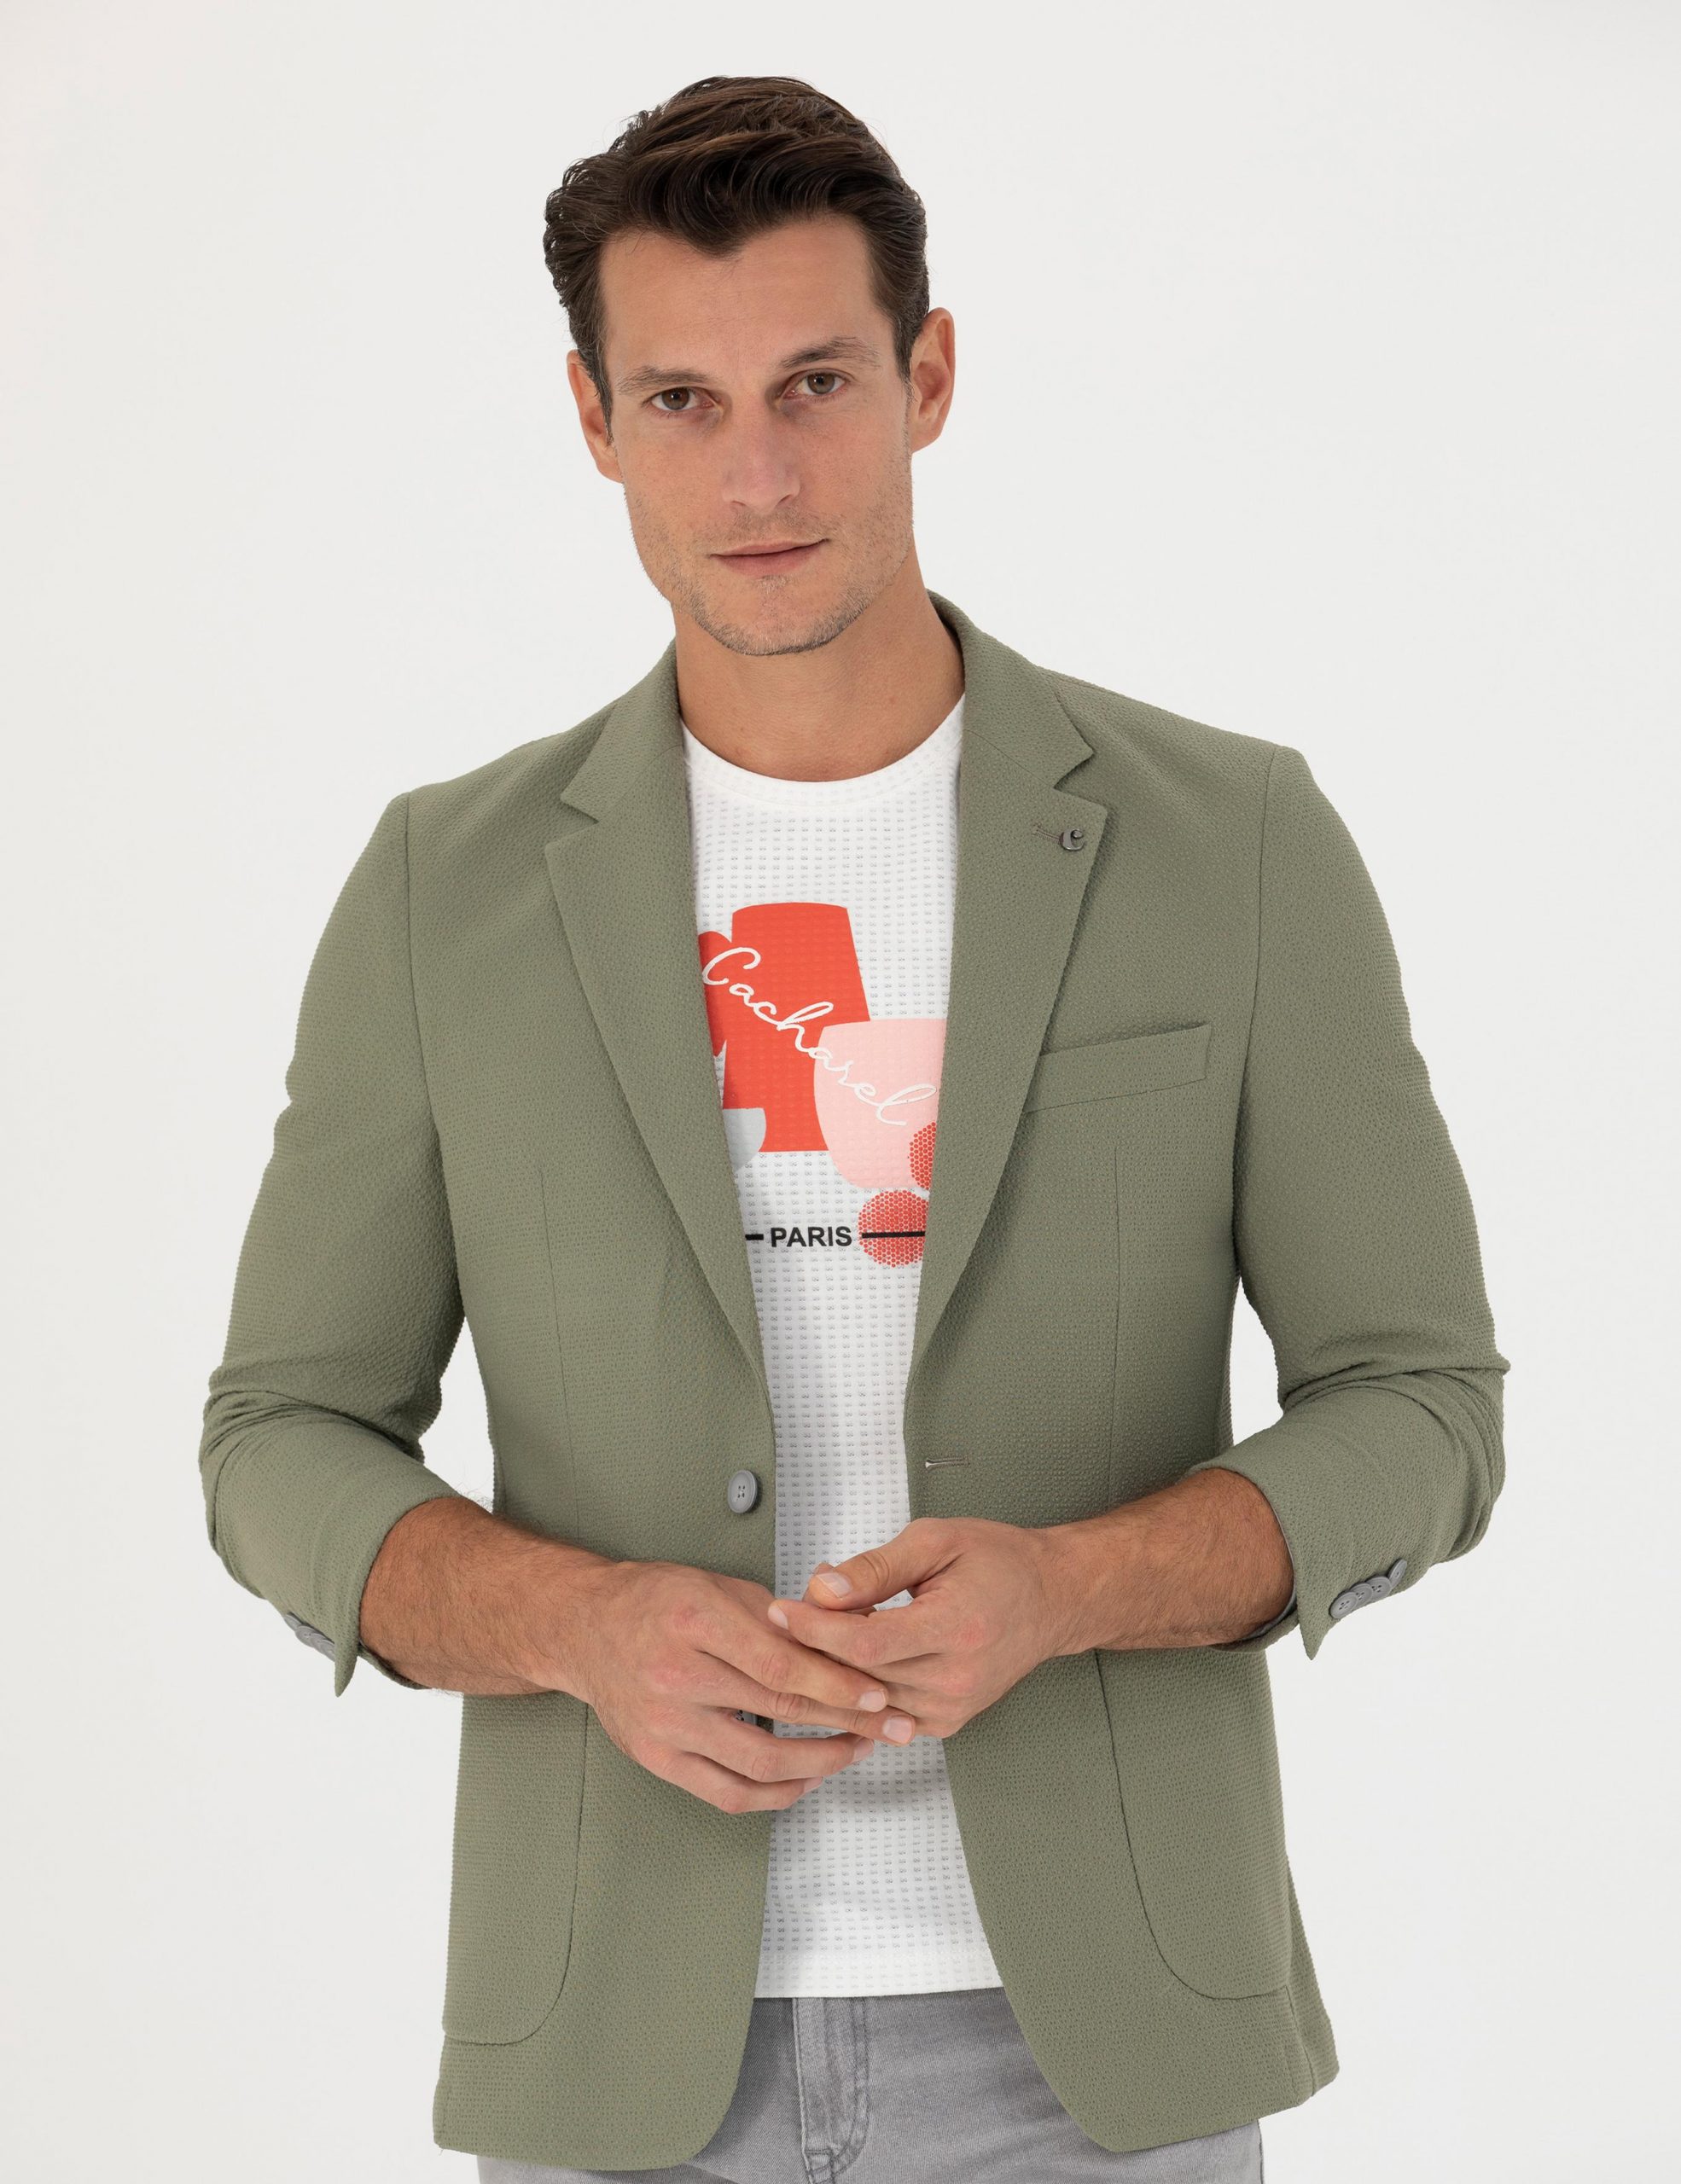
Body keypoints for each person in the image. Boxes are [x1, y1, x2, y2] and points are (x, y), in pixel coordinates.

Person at [198, 73, 1509, 2183]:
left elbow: (1423, 1403)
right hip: (618, 2052)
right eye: (683, 401)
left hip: (1098, 2055)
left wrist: (1068, 1585)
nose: (759, 471)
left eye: (815, 382)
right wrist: (581, 1628)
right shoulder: (447, 887)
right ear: (593, 418)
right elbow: (277, 1438)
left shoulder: (1230, 842)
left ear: (930, 376)